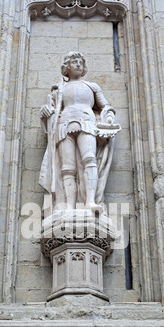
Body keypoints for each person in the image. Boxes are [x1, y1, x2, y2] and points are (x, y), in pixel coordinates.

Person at [38, 51, 120, 214]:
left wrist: (109, 117)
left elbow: (106, 106)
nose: (78, 65)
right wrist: (45, 111)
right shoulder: (59, 89)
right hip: (64, 123)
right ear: (66, 67)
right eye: (74, 62)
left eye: (81, 62)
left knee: (89, 159)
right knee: (67, 168)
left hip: (87, 122)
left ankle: (89, 201)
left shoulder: (92, 87)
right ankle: (69, 205)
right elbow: (53, 109)